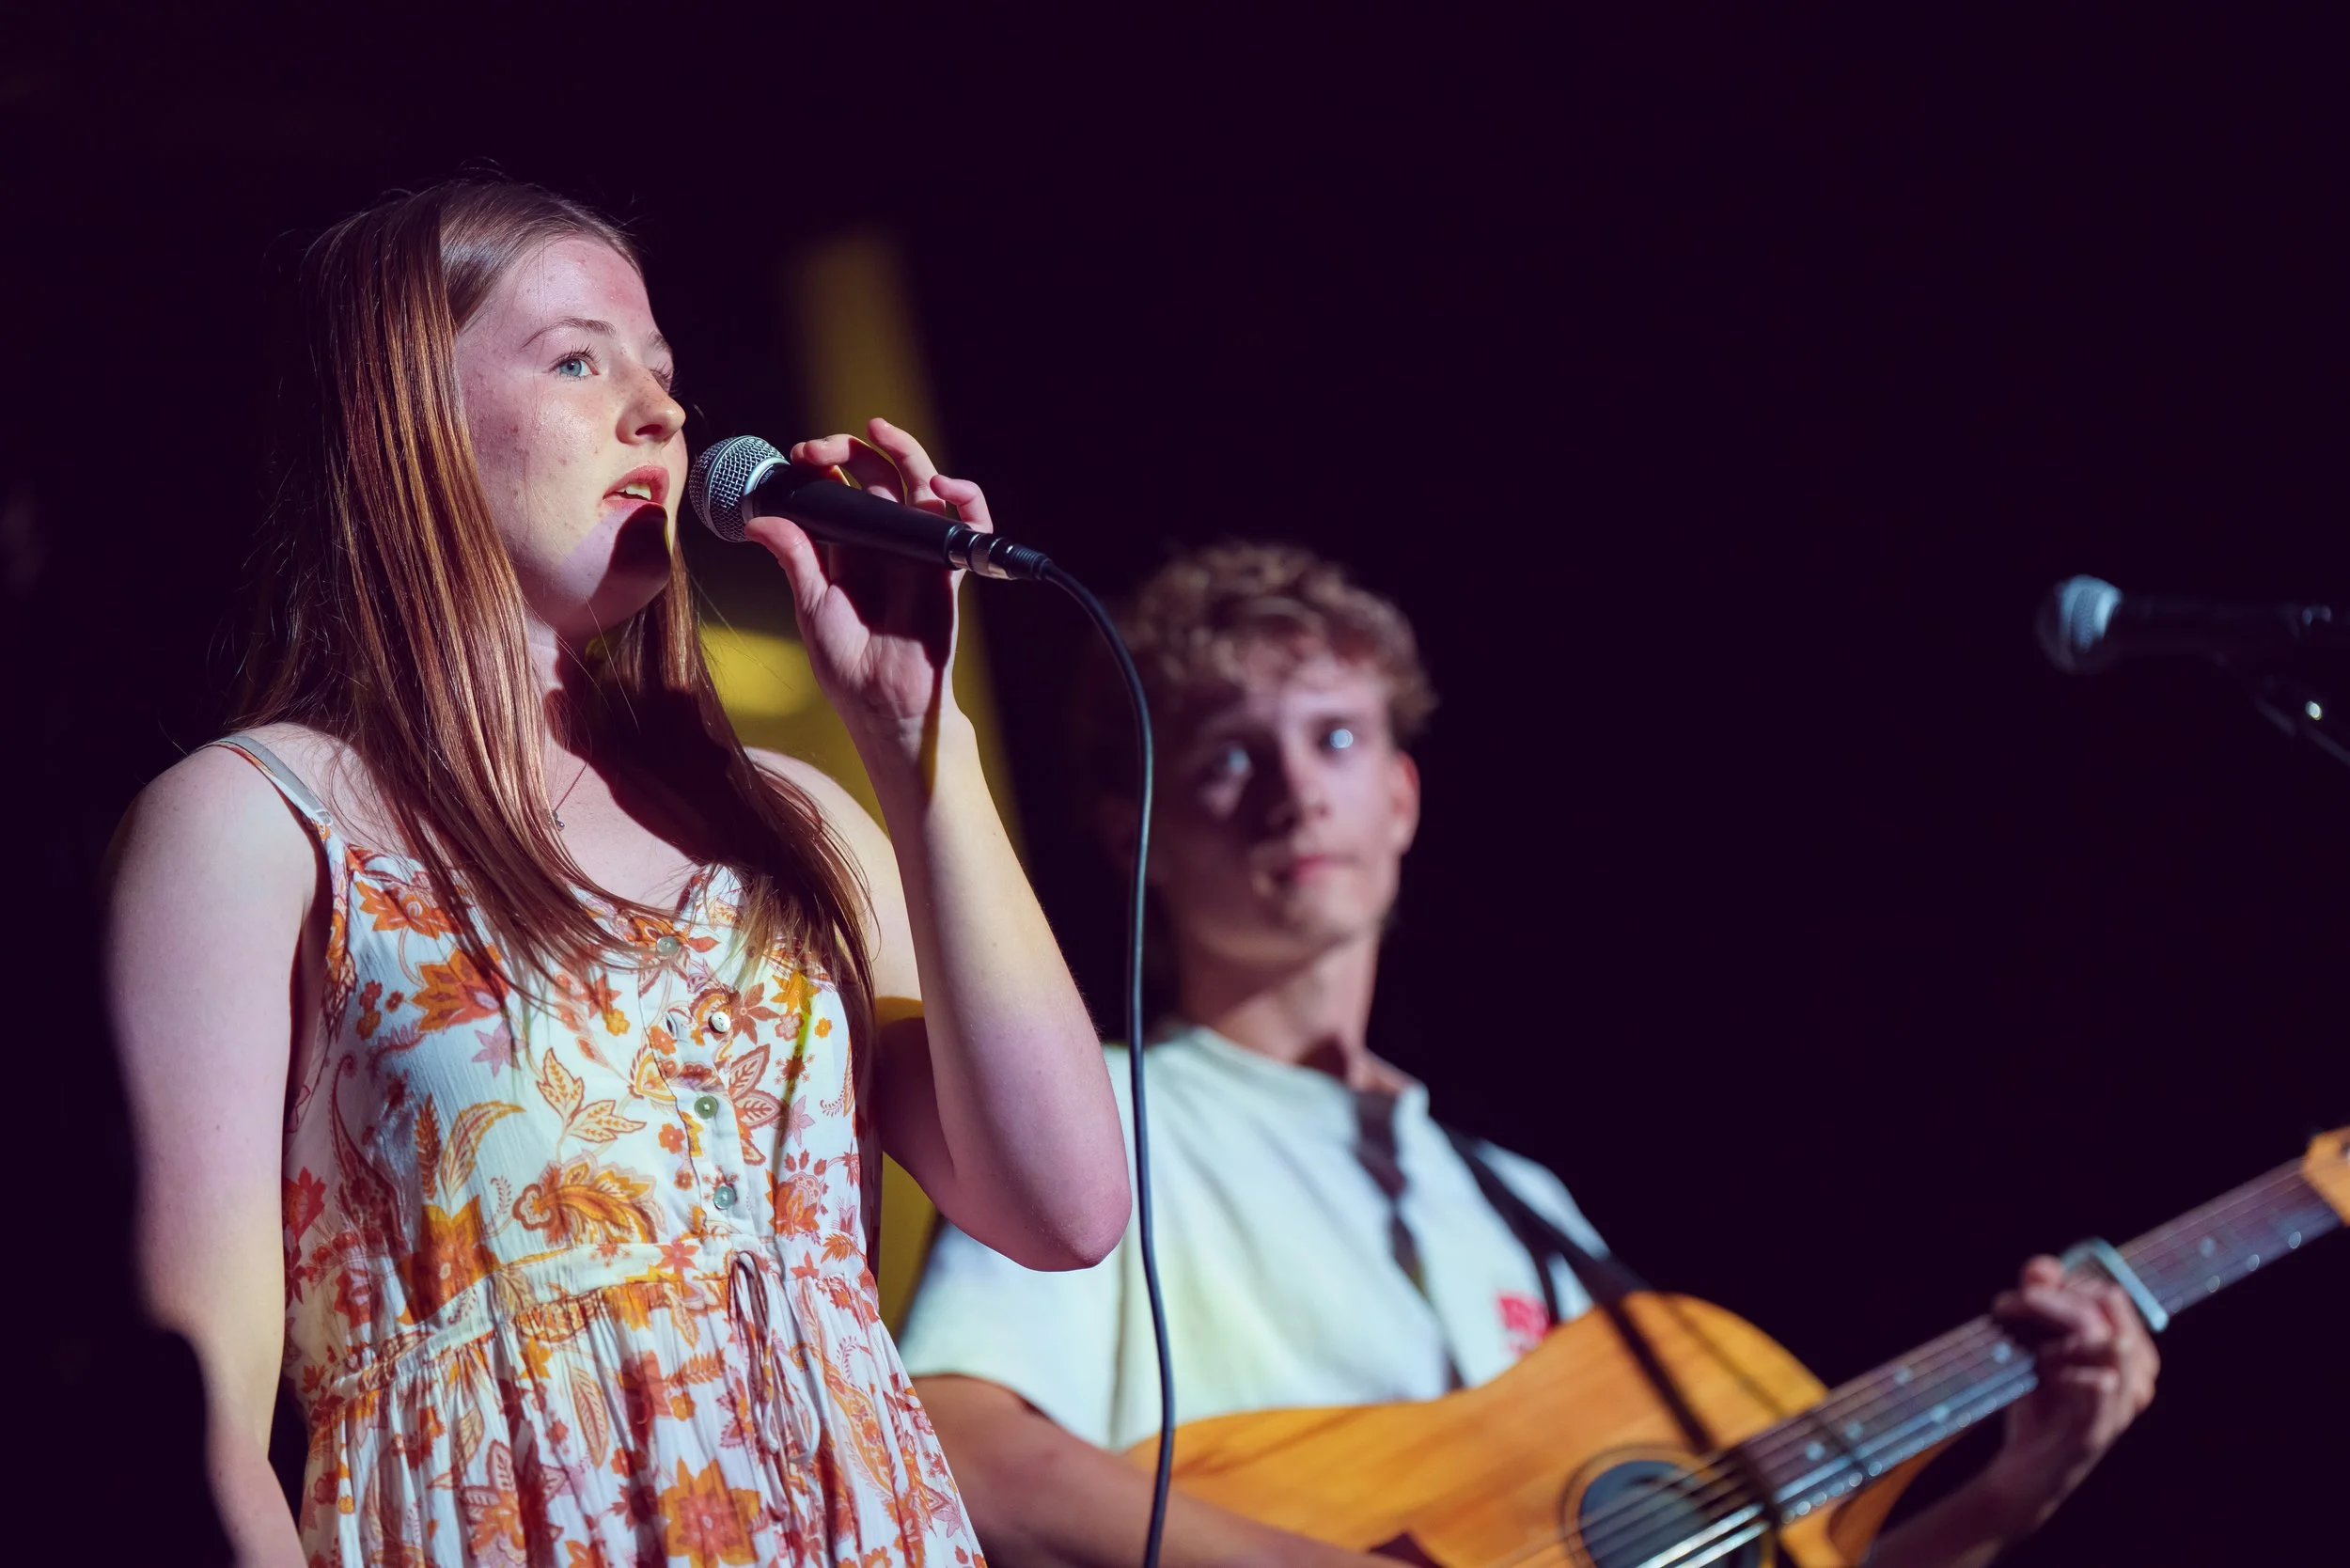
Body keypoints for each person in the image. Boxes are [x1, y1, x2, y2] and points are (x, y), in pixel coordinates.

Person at [103, 178, 1129, 1567]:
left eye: (663, 373)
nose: (658, 413)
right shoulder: (255, 822)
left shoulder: (798, 825)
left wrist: (916, 739)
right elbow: (195, 1415)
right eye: (579, 360)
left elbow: (1065, 1206)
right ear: (393, 420)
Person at [899, 542, 2161, 1568]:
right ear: (1136, 840)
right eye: (1230, 755)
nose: (1295, 793)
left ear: (1401, 798)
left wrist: (2008, 1495)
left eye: (1335, 739)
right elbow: (956, 1443)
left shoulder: (1521, 1204)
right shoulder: (1104, 1122)